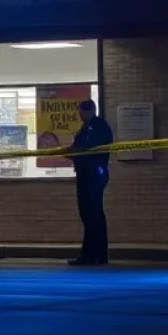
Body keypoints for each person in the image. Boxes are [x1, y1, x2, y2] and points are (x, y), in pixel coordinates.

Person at [67, 99, 114, 266]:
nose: (79, 115)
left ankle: (92, 255)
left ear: (89, 110)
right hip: (86, 174)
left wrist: (74, 151)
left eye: (81, 111)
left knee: (91, 214)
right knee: (90, 214)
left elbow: (89, 148)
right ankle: (96, 254)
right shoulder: (86, 127)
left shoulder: (98, 126)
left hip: (93, 175)